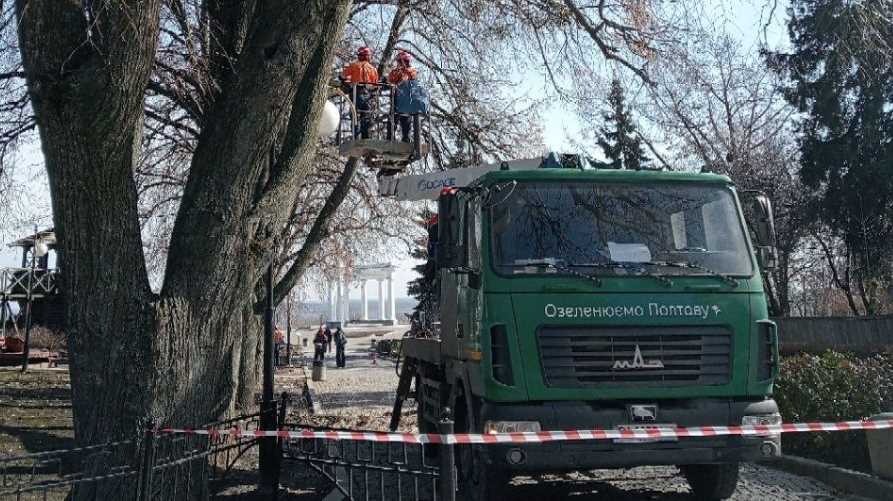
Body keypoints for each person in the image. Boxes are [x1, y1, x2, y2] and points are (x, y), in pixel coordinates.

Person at [341, 47, 380, 139]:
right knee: (366, 117)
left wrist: (347, 82)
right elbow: (375, 85)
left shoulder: (354, 66)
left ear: (359, 56)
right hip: (368, 96)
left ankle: (355, 138)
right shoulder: (373, 69)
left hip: (356, 94)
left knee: (355, 116)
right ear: (368, 57)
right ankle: (365, 139)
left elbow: (342, 76)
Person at [387, 51, 419, 142]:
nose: (398, 64)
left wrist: (396, 82)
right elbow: (390, 80)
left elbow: (403, 80)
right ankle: (391, 140)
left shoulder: (410, 71)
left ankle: (405, 140)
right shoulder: (398, 71)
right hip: (399, 100)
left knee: (404, 123)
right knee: (394, 121)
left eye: (399, 62)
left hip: (403, 100)